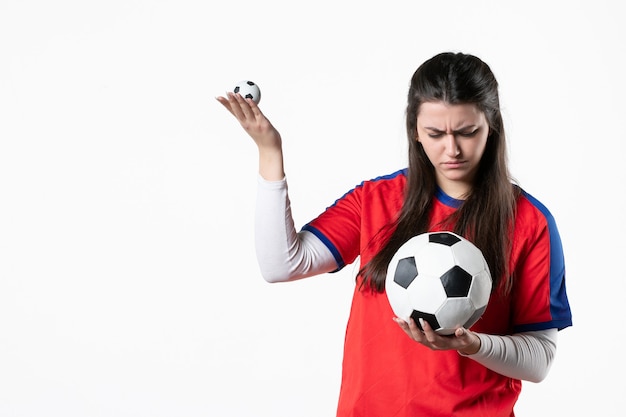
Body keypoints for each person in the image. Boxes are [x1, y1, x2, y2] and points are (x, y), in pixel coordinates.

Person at [216, 52, 572, 417]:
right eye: (435, 134)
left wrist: (472, 345)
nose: (452, 149)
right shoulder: (376, 200)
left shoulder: (530, 221)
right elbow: (282, 264)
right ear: (415, 130)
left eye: (467, 132)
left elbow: (540, 360)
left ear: (492, 126)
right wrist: (269, 151)